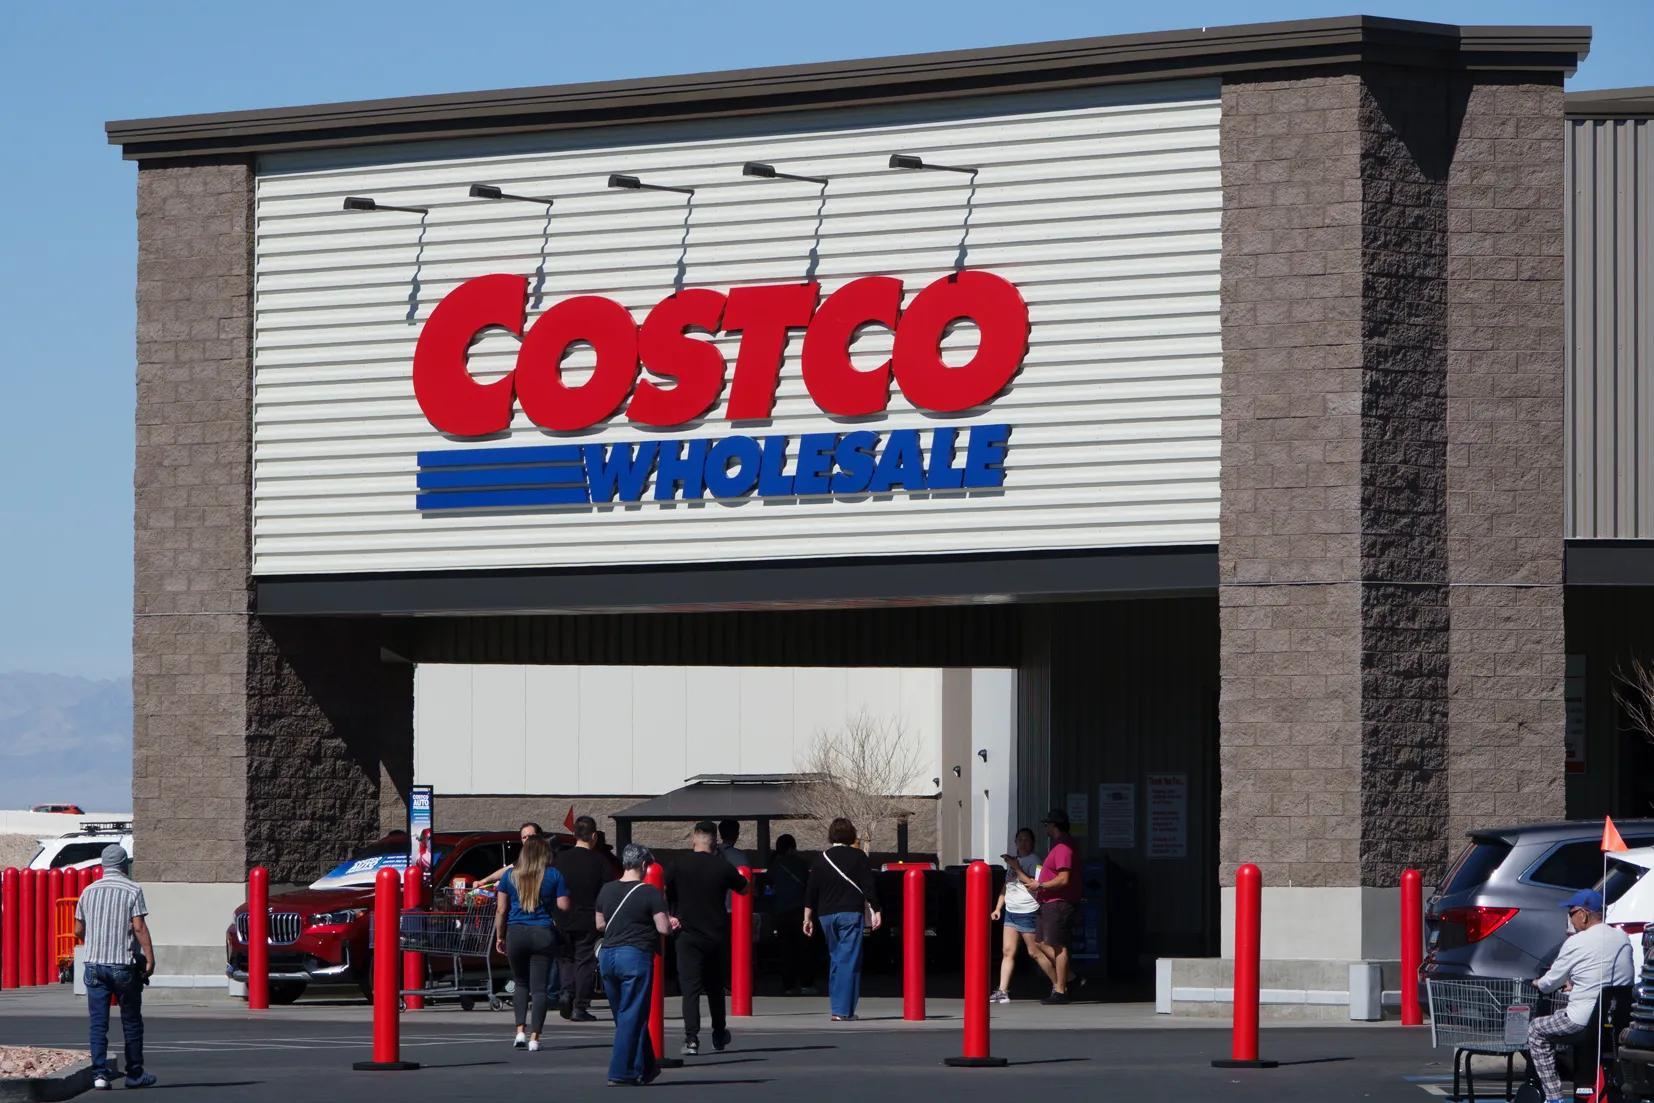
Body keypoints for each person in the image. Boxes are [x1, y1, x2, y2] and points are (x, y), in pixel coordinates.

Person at [1528, 889, 1637, 1103]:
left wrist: (1538, 983)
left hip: (1583, 1021)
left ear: (1584, 914)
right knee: (1561, 1016)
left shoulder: (1576, 942)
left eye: (1571, 913)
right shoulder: (1622, 937)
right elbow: (1607, 973)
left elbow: (1550, 984)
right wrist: (1575, 983)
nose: (1570, 919)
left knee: (1536, 1029)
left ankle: (1553, 1097)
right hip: (1616, 1019)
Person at [75, 844, 156, 1090]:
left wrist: (94, 943)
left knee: (98, 1023)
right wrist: (150, 958)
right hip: (123, 965)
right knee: (131, 1021)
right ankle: (135, 1073)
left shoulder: (88, 891)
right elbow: (139, 927)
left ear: (103, 865)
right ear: (124, 866)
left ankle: (100, 1075)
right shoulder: (133, 889)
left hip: (94, 965)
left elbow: (78, 929)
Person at [666, 821, 748, 1055]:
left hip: (686, 933)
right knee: (715, 988)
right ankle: (719, 1034)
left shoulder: (678, 864)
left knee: (690, 989)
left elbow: (660, 886)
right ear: (715, 842)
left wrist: (668, 915)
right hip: (715, 934)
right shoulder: (723, 866)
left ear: (693, 839)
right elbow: (744, 888)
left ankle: (691, 1039)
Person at [597, 844, 674, 1087]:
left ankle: (646, 1066)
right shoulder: (650, 892)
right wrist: (670, 921)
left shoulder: (606, 889)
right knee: (631, 1015)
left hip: (608, 956)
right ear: (643, 865)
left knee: (626, 1015)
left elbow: (600, 924)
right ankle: (620, 1072)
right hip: (635, 956)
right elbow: (663, 928)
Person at [492, 835, 571, 1052]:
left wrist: (500, 936)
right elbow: (564, 905)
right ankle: (535, 1037)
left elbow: (501, 910)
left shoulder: (510, 875)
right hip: (543, 933)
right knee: (539, 989)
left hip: (516, 932)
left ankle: (519, 1031)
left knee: (520, 983)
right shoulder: (553, 875)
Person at [803, 817, 881, 1021]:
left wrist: (807, 918)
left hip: (826, 915)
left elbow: (811, 891)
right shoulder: (858, 856)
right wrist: (876, 910)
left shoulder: (821, 858)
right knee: (849, 960)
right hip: (850, 913)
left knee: (836, 959)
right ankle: (842, 1010)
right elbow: (868, 886)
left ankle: (837, 1006)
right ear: (851, 834)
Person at [1008, 808, 1082, 1004]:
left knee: (1057, 945)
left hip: (1058, 902)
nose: (1046, 828)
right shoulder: (1059, 846)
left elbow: (1064, 878)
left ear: (1054, 826)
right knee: (1040, 942)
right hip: (1048, 902)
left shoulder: (1064, 847)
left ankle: (1060, 991)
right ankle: (1071, 978)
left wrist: (1040, 886)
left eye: (1048, 824)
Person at [555, 814, 616, 1021]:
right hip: (588, 918)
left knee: (567, 958)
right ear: (594, 836)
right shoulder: (600, 862)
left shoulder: (559, 860)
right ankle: (579, 1006)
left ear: (574, 834)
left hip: (563, 918)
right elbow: (607, 892)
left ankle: (566, 992)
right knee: (585, 961)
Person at [989, 827, 1041, 1003]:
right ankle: (1002, 990)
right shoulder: (1013, 862)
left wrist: (1017, 868)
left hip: (1027, 911)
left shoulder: (1034, 861)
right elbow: (1007, 885)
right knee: (1007, 951)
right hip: (1011, 911)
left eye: (1026, 840)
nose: (1022, 843)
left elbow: (1035, 885)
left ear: (1032, 843)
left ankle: (1061, 982)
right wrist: (998, 908)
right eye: (1019, 840)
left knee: (1034, 952)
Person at [769, 834, 817, 996]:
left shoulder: (774, 866)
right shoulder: (801, 864)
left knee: (786, 950)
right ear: (792, 847)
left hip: (781, 911)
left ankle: (788, 985)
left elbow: (769, 885)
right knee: (804, 949)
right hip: (800, 910)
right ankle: (806, 984)